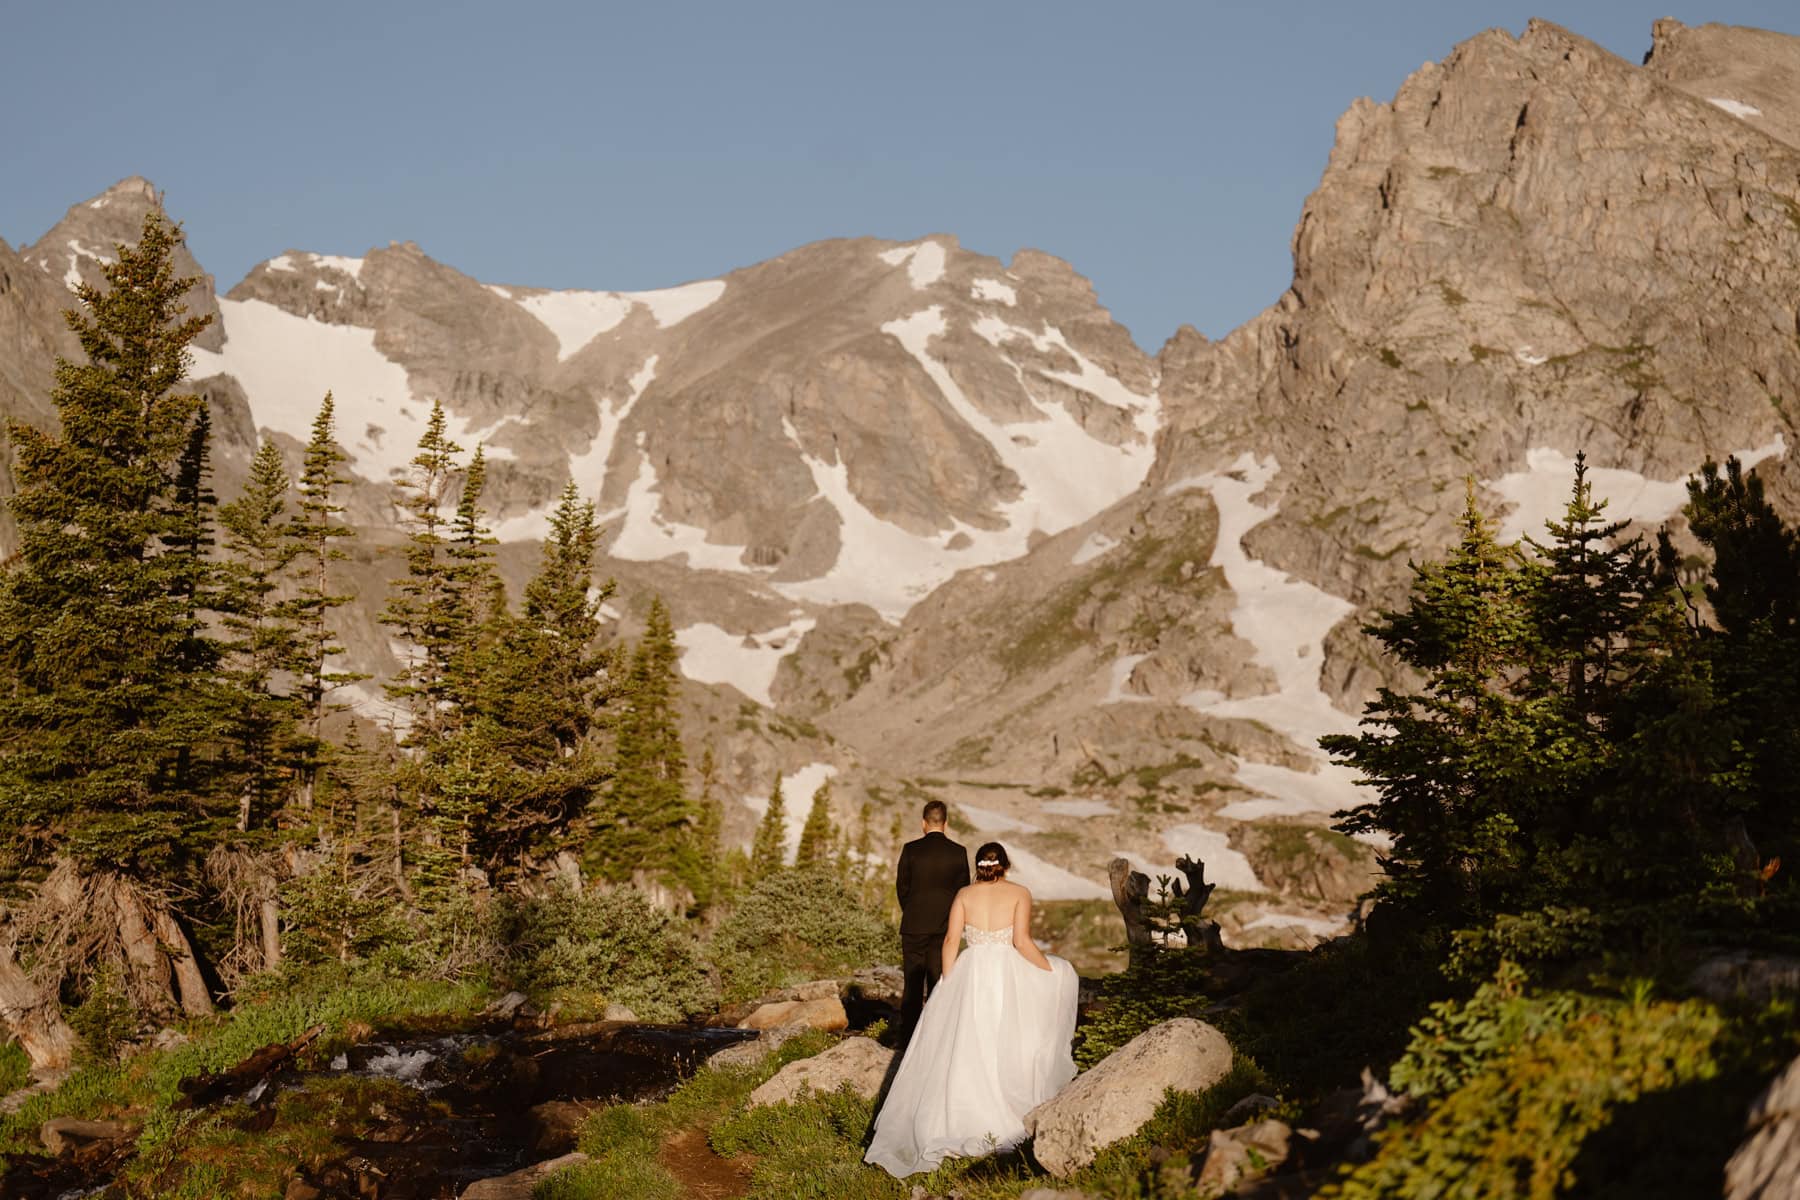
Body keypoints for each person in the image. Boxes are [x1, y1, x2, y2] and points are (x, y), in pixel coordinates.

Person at [865, 841, 1079, 1178]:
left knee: (964, 1047)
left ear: (979, 866)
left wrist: (947, 985)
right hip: (1006, 974)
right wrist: (1049, 969)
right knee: (1005, 1040)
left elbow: (951, 941)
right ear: (1004, 866)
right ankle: (1003, 1117)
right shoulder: (1019, 892)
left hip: (971, 971)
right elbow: (1021, 942)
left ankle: (956, 1117)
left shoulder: (964, 895)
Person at [894, 799, 969, 1045]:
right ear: (946, 824)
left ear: (923, 823)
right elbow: (963, 892)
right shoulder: (959, 852)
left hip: (914, 925)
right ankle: (936, 1039)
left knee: (912, 985)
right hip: (944, 928)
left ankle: (908, 1040)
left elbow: (902, 888)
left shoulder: (910, 849)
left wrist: (913, 910)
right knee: (938, 982)